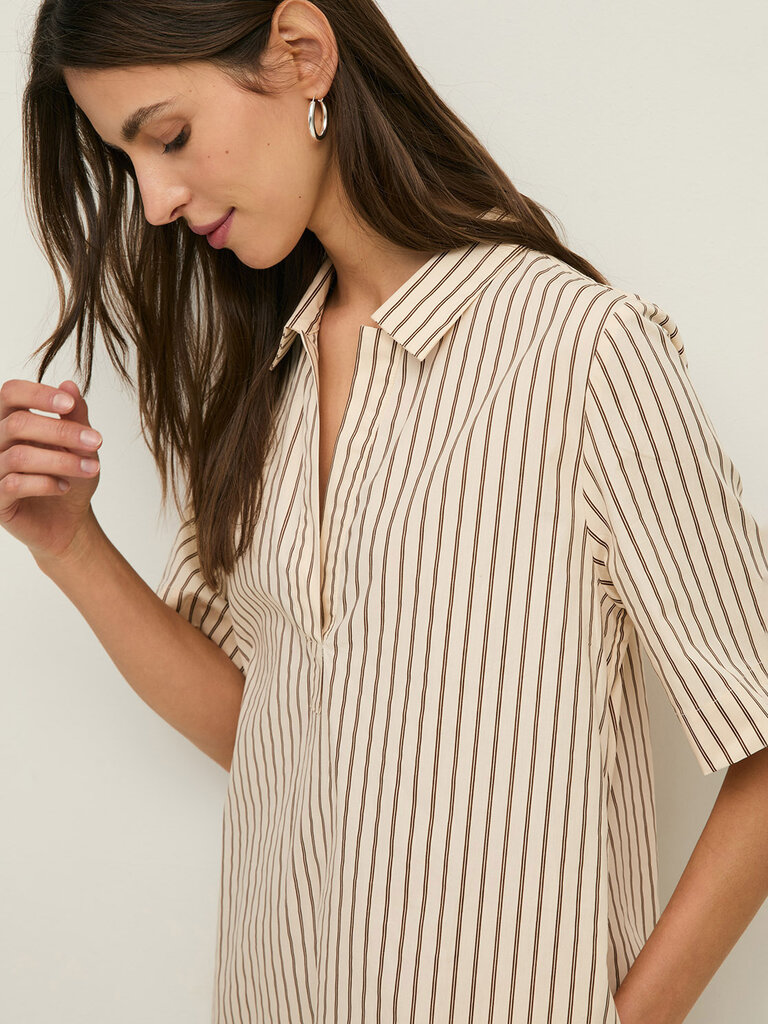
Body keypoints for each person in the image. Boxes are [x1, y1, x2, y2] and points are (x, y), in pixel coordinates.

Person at [4, 1, 768, 1022]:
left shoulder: (580, 352)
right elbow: (273, 735)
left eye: (170, 136)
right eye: (126, 161)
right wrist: (70, 546)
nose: (152, 202)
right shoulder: (262, 389)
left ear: (303, 53)